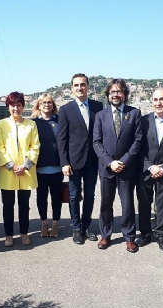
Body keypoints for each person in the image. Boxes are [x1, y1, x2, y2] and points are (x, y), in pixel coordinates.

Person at [93, 79, 142, 252]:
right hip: (107, 168)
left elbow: (137, 141)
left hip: (127, 168)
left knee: (128, 204)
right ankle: (105, 235)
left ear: (125, 94)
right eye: (112, 92)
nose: (115, 94)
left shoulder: (135, 113)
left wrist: (124, 161)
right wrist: (110, 162)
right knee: (106, 203)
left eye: (119, 91)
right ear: (108, 95)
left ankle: (129, 237)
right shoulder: (100, 115)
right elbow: (96, 142)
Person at [57, 73, 103, 245]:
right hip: (73, 161)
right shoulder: (66, 109)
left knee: (90, 195)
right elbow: (61, 139)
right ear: (72, 89)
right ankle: (76, 228)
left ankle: (86, 226)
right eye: (76, 85)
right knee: (74, 195)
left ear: (88, 87)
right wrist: (64, 163)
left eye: (83, 84)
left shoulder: (98, 107)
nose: (80, 88)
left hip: (93, 160)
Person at [0, 92, 40, 247]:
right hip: (8, 172)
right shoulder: (1, 124)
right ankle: (8, 235)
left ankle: (24, 233)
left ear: (23, 106)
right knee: (8, 205)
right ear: (8, 107)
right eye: (13, 105)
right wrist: (11, 165)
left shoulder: (31, 124)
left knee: (24, 205)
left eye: (19, 105)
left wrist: (26, 165)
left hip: (25, 172)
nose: (16, 108)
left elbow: (35, 146)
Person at [136, 88, 163, 252]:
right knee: (144, 204)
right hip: (146, 171)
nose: (158, 103)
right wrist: (150, 166)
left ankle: (161, 235)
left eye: (162, 99)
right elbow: (138, 147)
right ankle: (145, 233)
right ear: (151, 102)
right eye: (155, 100)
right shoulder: (143, 121)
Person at [31, 94, 62, 238]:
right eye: (43, 102)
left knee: (56, 197)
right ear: (38, 105)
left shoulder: (60, 120)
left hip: (57, 166)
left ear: (53, 105)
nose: (47, 105)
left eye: (49, 102)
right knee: (41, 197)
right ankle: (44, 223)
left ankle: (55, 223)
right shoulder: (33, 123)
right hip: (39, 167)